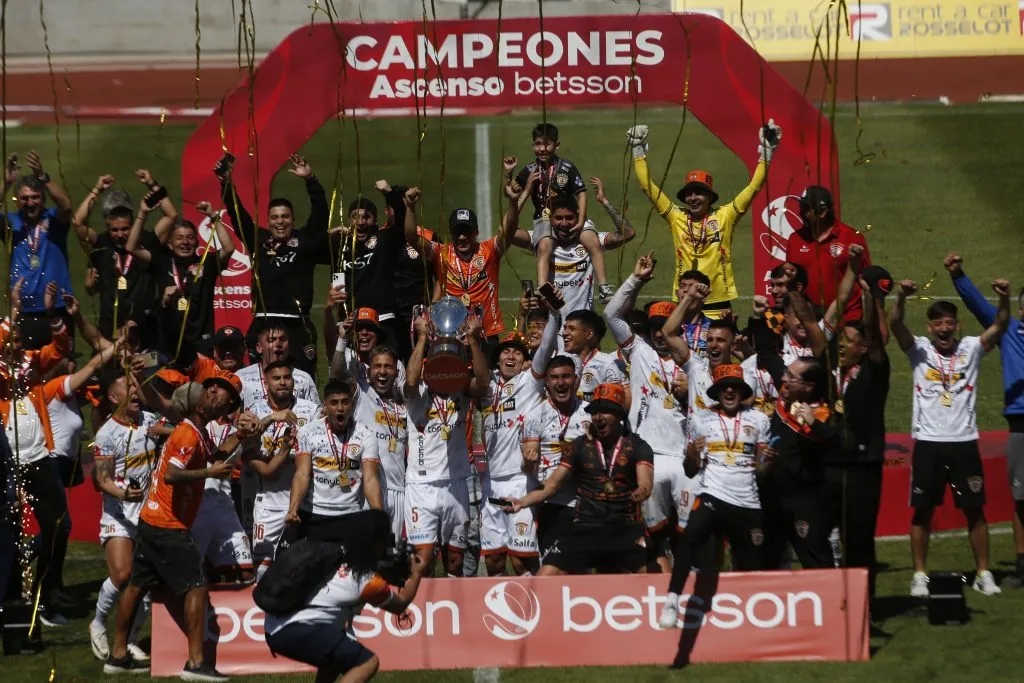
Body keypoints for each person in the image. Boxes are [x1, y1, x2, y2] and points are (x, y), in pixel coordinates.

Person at [105, 380, 252, 679]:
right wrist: (209, 473)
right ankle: (196, 664)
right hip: (168, 525)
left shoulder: (194, 430)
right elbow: (173, 475)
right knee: (196, 585)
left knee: (137, 585)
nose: (214, 397)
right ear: (199, 407)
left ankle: (117, 656)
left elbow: (214, 455)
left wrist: (240, 436)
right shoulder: (187, 434)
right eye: (208, 395)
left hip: (151, 519)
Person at [890, 275, 1011, 597]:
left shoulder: (971, 349)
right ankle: (919, 575)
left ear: (957, 326)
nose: (945, 329)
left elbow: (1000, 325)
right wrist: (901, 296)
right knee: (923, 511)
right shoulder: (919, 350)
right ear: (930, 327)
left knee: (975, 510)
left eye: (950, 324)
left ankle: (983, 573)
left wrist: (1003, 298)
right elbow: (896, 324)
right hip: (928, 443)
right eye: (939, 324)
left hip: (964, 442)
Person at [626, 120, 781, 318]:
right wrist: (638, 151)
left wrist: (766, 154)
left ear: (710, 197)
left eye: (699, 193)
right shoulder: (677, 216)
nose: (693, 198)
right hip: (684, 298)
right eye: (689, 194)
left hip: (718, 299)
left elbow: (753, 189)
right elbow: (648, 187)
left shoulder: (725, 215)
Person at [659, 364, 774, 628]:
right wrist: (691, 453)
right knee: (688, 540)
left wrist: (768, 462)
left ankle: (751, 623)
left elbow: (762, 472)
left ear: (742, 391)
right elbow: (690, 470)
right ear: (718, 391)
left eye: (735, 386)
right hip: (712, 495)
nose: (730, 390)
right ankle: (672, 601)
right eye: (725, 387)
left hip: (747, 502)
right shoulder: (701, 419)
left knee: (751, 564)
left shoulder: (759, 419)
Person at [263, 510, 427, 683]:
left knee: (334, 661)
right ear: (377, 542)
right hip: (294, 628)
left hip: (276, 626)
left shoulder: (337, 556)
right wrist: (417, 573)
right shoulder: (366, 581)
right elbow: (400, 604)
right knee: (367, 663)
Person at [507, 383, 653, 575]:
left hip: (624, 527)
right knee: (545, 577)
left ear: (619, 416)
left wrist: (639, 492)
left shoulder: (638, 446)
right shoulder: (579, 446)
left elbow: (645, 484)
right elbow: (550, 487)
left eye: (606, 411)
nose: (598, 417)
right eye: (594, 412)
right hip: (586, 528)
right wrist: (521, 502)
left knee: (658, 572)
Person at [604, 252, 690, 570]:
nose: (658, 333)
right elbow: (612, 315)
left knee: (689, 538)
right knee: (654, 540)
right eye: (654, 327)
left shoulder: (693, 362)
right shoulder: (639, 352)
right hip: (647, 459)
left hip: (684, 461)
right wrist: (636, 280)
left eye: (666, 327)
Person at [947, 252, 1024, 587]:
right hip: (1021, 425)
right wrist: (958, 274)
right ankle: (1022, 566)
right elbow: (978, 304)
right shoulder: (1011, 330)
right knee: (1022, 499)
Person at [1, 280, 73, 625]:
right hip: (7, 465)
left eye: (18, 340)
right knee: (10, 530)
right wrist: (14, 310)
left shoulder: (30, 365)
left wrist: (52, 314)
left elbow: (60, 348)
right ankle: (14, 601)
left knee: (60, 523)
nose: (16, 345)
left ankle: (48, 592)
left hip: (39, 458)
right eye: (11, 341)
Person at [218, 154, 329, 376]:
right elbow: (238, 215)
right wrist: (226, 182)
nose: (280, 222)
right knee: (259, 380)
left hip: (298, 325)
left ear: (293, 220)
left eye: (285, 217)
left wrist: (310, 181)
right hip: (263, 323)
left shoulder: (304, 242)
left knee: (303, 379)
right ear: (268, 222)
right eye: (275, 217)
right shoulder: (258, 241)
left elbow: (320, 216)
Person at [822, 248, 891, 599]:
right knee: (821, 535)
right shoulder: (834, 374)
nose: (843, 347)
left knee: (859, 540)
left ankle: (866, 607)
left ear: (863, 349)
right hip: (834, 465)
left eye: (850, 343)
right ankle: (830, 601)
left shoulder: (875, 372)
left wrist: (870, 299)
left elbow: (876, 339)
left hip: (864, 467)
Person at [403, 312, 489, 577]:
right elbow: (410, 380)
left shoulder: (461, 391)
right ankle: (424, 611)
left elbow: (484, 383)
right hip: (421, 486)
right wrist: (422, 339)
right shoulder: (416, 396)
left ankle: (453, 612)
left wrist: (473, 341)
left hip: (457, 482)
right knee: (423, 559)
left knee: (455, 561)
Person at [403, 160, 523, 346]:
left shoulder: (490, 250)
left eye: (467, 232)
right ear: (450, 233)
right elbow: (411, 237)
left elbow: (510, 229)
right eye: (457, 232)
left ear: (476, 232)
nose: (461, 237)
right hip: (450, 332)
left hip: (486, 331)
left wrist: (513, 202)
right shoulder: (441, 253)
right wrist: (410, 207)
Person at [479, 306, 560, 575]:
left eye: (517, 352)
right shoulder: (487, 384)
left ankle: (537, 611)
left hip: (520, 480)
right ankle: (498, 612)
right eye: (506, 351)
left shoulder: (530, 381)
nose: (511, 355)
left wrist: (555, 316)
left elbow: (546, 348)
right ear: (497, 357)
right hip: (490, 481)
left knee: (521, 559)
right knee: (493, 559)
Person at [89, 371, 161, 661]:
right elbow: (102, 479)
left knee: (144, 582)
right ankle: (97, 623)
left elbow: (174, 430)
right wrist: (122, 494)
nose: (135, 390)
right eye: (127, 387)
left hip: (146, 514)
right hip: (118, 513)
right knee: (122, 575)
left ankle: (130, 639)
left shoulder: (149, 420)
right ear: (113, 397)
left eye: (136, 386)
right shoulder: (106, 434)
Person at [75, 169, 177, 347]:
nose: (120, 234)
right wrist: (98, 188)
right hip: (108, 333)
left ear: (133, 224)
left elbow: (171, 215)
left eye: (125, 229)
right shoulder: (101, 245)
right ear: (107, 226)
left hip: (143, 332)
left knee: (146, 373)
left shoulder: (147, 241)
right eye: (114, 230)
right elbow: (78, 222)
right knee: (108, 375)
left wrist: (151, 184)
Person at [125, 201, 235, 363]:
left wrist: (213, 216)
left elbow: (229, 248)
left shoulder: (206, 263)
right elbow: (131, 248)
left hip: (201, 344)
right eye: (179, 238)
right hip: (165, 347)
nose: (185, 242)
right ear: (170, 243)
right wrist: (143, 212)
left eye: (190, 237)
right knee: (147, 370)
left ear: (197, 242)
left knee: (200, 387)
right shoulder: (161, 262)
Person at [246, 360, 322, 578]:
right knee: (262, 571)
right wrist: (271, 418)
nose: (282, 383)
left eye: (286, 378)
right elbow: (247, 445)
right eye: (276, 378)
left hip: (305, 500)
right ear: (266, 382)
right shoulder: (254, 411)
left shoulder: (311, 410)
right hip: (268, 502)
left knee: (303, 567)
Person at [287, 380, 384, 544]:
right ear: (325, 405)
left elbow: (370, 478)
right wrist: (293, 509)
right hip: (314, 515)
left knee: (347, 569)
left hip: (350, 515)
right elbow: (302, 473)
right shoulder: (308, 432)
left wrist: (377, 513)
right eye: (334, 403)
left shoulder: (365, 435)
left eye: (345, 402)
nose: (340, 408)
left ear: (352, 405)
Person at [521, 355, 593, 560]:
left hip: (586, 503)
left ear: (576, 380)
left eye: (566, 377)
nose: (560, 383)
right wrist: (528, 459)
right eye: (554, 377)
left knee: (584, 569)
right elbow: (528, 464)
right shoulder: (535, 416)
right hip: (552, 504)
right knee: (553, 567)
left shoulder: (590, 412)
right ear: (546, 382)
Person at [2, 151, 74, 348]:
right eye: (24, 198)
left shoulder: (54, 220)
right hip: (23, 312)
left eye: (35, 197)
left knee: (62, 367)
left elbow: (67, 205)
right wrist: (6, 183)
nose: (30, 203)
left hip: (58, 308)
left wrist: (43, 177)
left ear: (43, 198)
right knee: (26, 371)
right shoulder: (11, 223)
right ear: (17, 199)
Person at [784, 186, 871, 323]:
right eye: (801, 206)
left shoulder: (852, 238)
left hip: (847, 320)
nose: (800, 212)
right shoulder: (795, 240)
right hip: (809, 322)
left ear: (823, 212)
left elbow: (867, 282)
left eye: (806, 209)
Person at [334, 192, 405, 354]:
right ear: (348, 221)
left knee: (387, 370)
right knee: (347, 375)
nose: (360, 222)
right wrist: (331, 233)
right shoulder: (339, 244)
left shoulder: (384, 240)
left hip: (382, 319)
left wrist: (389, 193)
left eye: (367, 217)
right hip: (349, 322)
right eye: (354, 217)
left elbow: (400, 224)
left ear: (375, 221)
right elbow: (310, 242)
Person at [375, 180, 439, 362]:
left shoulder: (427, 237)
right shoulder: (380, 238)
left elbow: (442, 275)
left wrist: (432, 307)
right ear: (387, 210)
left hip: (419, 314)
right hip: (389, 315)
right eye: (395, 206)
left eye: (404, 205)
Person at [352, 345, 408, 541]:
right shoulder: (361, 393)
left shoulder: (404, 404)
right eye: (377, 366)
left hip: (399, 491)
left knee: (394, 558)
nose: (382, 372)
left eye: (388, 367)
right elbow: (339, 371)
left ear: (397, 371)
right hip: (367, 489)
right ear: (369, 371)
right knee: (368, 557)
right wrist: (342, 339)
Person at [236, 322, 320, 409]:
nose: (278, 343)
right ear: (259, 348)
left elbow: (318, 415)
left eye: (283, 339)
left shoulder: (304, 379)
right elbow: (230, 414)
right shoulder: (242, 377)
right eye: (271, 340)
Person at [328, 307, 406, 389]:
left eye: (369, 328)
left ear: (378, 335)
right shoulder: (345, 358)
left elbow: (405, 396)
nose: (364, 333)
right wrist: (343, 339)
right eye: (359, 328)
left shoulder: (394, 363)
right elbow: (335, 381)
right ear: (352, 334)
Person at [561, 309, 626, 402]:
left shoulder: (608, 364)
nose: (565, 333)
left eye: (572, 329)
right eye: (565, 328)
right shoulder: (557, 361)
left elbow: (620, 403)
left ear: (589, 334)